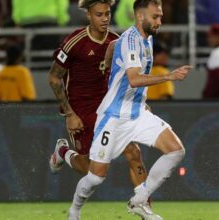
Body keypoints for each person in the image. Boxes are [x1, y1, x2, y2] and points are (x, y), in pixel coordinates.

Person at [68, 1, 192, 219]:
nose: (159, 22)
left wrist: (107, 62)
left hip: (137, 113)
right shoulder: (131, 40)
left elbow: (113, 47)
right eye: (155, 17)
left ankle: (139, 200)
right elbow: (134, 79)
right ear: (141, 16)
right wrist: (169, 76)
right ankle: (74, 210)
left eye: (160, 16)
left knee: (176, 150)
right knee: (96, 177)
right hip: (113, 117)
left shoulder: (146, 38)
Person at [48, 1, 150, 208]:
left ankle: (144, 207)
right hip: (81, 110)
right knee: (90, 170)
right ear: (88, 16)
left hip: (109, 108)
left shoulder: (118, 42)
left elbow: (126, 77)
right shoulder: (74, 42)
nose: (105, 19)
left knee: (133, 152)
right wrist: (69, 114)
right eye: (99, 14)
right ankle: (63, 153)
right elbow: (54, 78)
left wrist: (138, 103)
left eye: (107, 14)